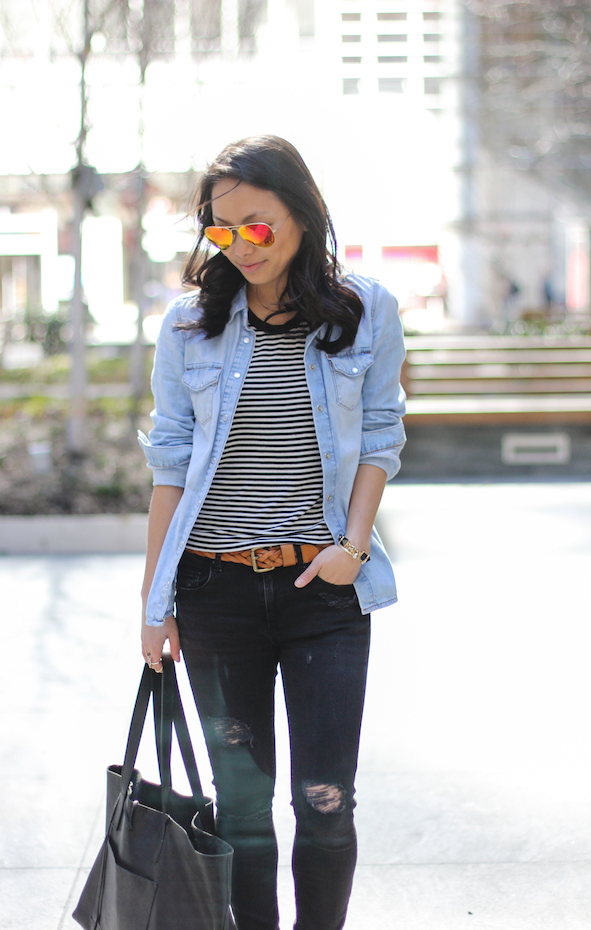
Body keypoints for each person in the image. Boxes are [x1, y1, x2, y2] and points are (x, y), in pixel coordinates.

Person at [138, 135, 406, 930]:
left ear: (301, 211)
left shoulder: (366, 309)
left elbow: (384, 436)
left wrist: (349, 551)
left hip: (321, 591)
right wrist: (155, 604)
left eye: (256, 225)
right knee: (244, 807)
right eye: (221, 230)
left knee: (325, 801)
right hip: (215, 590)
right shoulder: (190, 326)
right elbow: (171, 467)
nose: (239, 245)